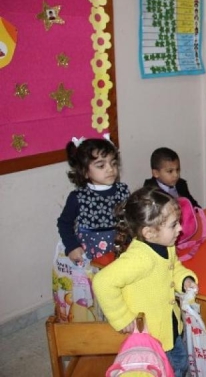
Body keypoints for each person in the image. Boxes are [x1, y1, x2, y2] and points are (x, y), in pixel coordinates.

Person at [93, 187, 198, 377]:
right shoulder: (140, 258)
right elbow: (102, 281)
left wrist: (184, 279)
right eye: (174, 225)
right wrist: (122, 317)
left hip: (170, 328)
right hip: (152, 339)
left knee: (180, 365)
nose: (180, 229)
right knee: (169, 369)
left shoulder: (166, 245)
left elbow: (173, 266)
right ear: (149, 233)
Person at [54, 138, 130, 322]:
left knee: (119, 288)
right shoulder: (78, 197)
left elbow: (131, 218)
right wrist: (72, 246)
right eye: (101, 165)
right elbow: (64, 223)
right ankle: (98, 325)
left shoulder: (122, 190)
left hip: (119, 249)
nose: (110, 169)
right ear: (85, 171)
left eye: (113, 163)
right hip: (90, 256)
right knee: (96, 293)